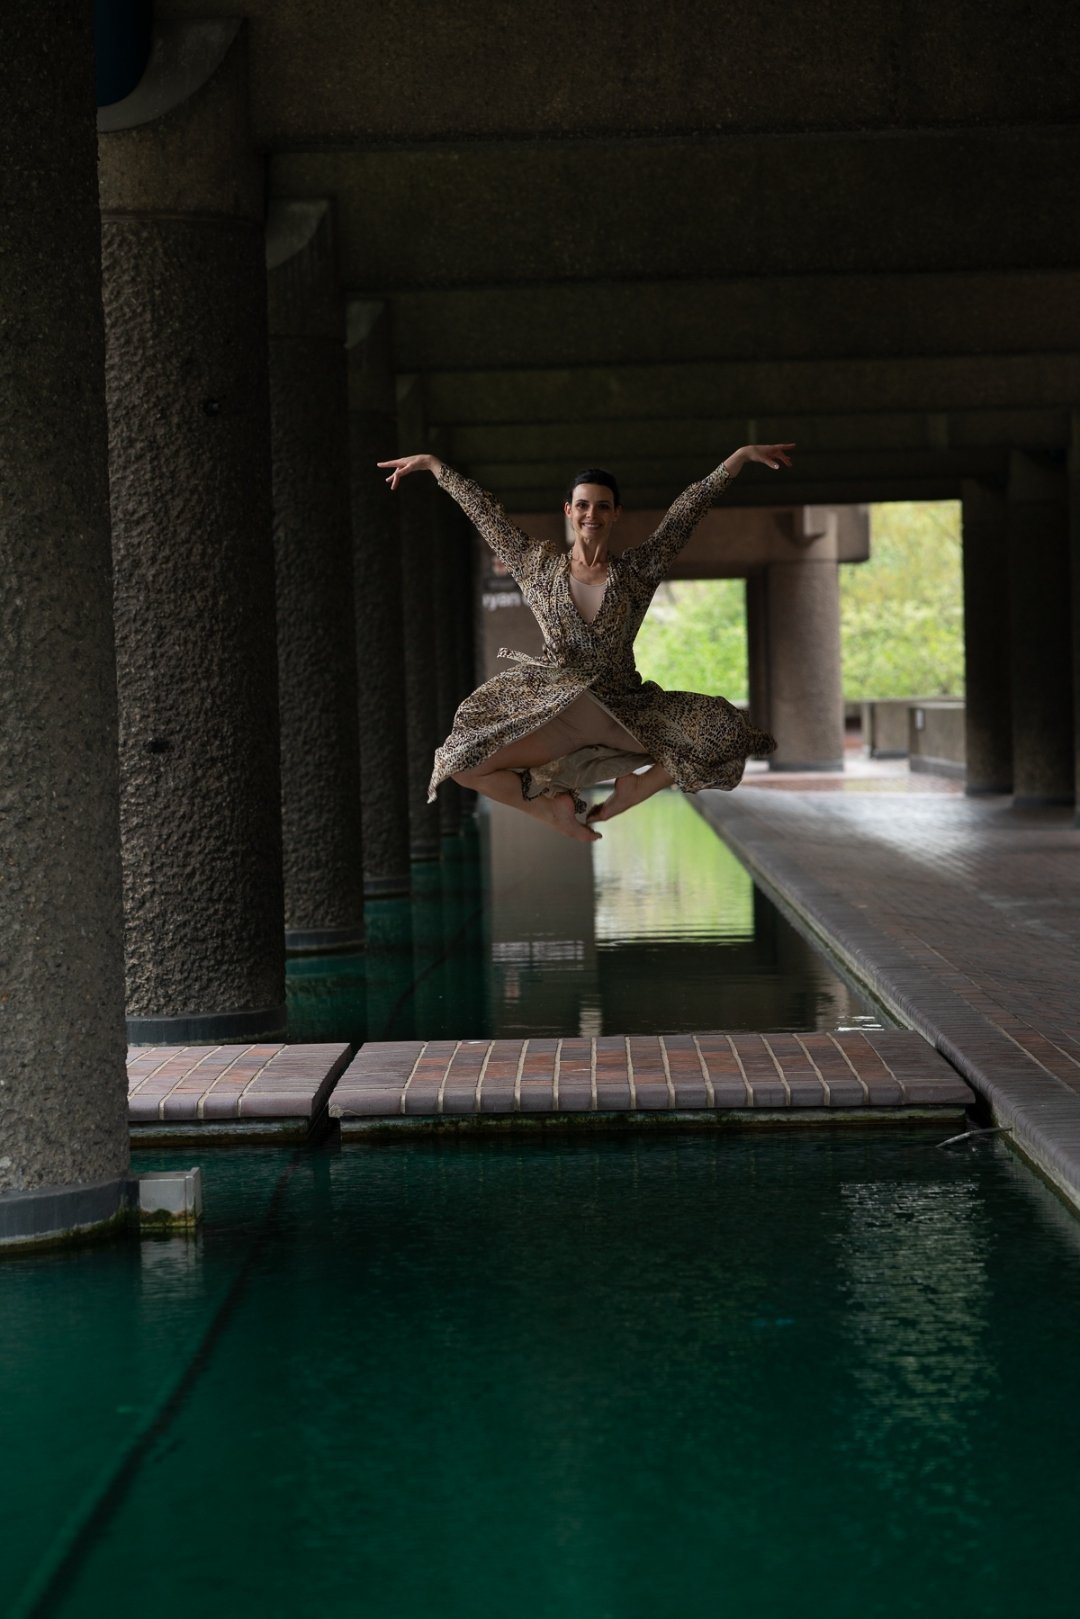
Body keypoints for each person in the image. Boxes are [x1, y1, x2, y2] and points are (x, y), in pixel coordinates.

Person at [378, 445, 794, 842]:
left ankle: (635, 791)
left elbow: (684, 515)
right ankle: (549, 811)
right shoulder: (536, 567)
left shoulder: (637, 571)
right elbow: (487, 516)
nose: (591, 513)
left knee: (725, 729)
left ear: (615, 514)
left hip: (624, 711)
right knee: (461, 764)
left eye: (602, 505)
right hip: (560, 715)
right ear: (569, 511)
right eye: (582, 505)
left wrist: (736, 461)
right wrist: (436, 467)